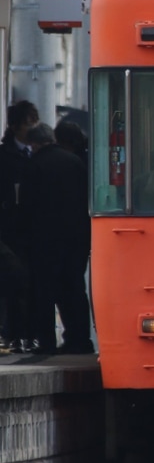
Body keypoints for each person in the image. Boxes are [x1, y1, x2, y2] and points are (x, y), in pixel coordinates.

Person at [20, 122, 93, 355]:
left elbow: (27, 208)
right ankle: (79, 339)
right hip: (77, 239)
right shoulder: (75, 163)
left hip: (45, 241)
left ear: (34, 144)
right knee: (73, 288)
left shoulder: (35, 165)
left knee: (44, 291)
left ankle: (46, 342)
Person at [0, 100, 39, 351]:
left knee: (32, 284)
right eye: (28, 124)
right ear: (14, 127)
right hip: (9, 230)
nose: (32, 128)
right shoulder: (5, 157)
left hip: (32, 230)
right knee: (12, 282)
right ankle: (11, 332)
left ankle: (27, 333)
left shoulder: (39, 153)